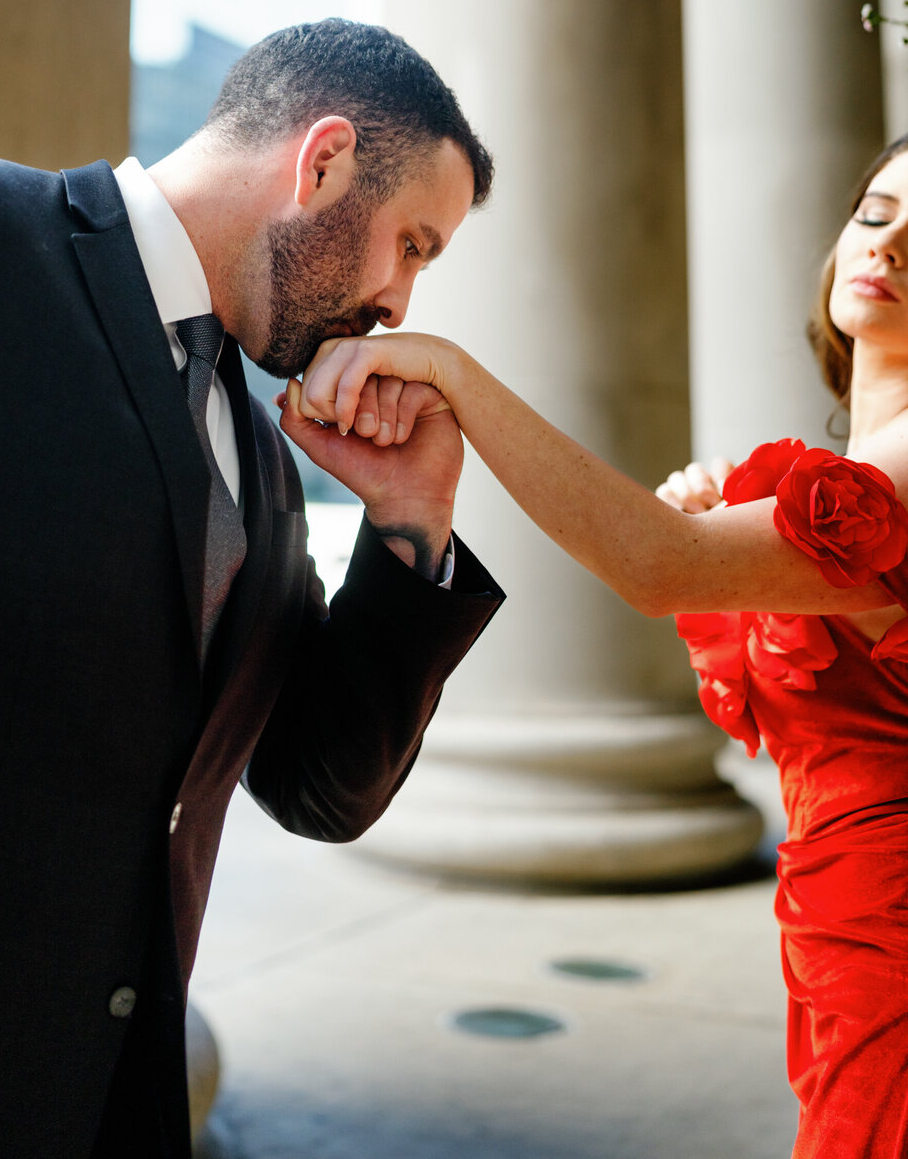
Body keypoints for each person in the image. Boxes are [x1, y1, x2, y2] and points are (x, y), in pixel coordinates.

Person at [0, 18, 504, 1159]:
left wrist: (409, 526)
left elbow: (318, 791)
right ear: (322, 160)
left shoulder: (271, 455)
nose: (400, 303)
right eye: (412, 243)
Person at [290, 131, 908, 1159]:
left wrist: (454, 376)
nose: (888, 246)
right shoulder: (851, 470)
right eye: (876, 215)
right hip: (841, 932)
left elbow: (660, 570)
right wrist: (734, 549)